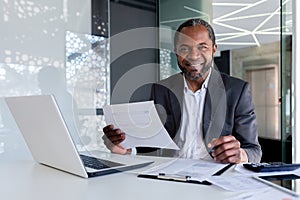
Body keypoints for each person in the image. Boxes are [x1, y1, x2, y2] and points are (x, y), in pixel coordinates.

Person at [102, 18, 262, 164]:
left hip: (215, 177)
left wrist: (240, 154)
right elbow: (150, 144)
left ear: (214, 49)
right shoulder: (161, 89)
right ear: (176, 52)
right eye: (185, 48)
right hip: (170, 177)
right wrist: (126, 149)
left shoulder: (237, 90)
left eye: (202, 47)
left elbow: (254, 150)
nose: (193, 56)